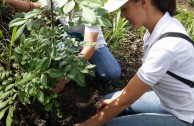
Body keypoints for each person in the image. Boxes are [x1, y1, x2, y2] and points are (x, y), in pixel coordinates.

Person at [73, 0, 194, 126]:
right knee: (110, 99)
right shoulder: (159, 28)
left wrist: (86, 124)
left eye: (124, 9)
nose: (122, 16)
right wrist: (117, 102)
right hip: (168, 101)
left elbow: (125, 101)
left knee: (107, 123)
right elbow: (131, 91)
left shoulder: (166, 46)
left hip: (185, 116)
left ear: (143, 3)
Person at [0, 0, 121, 93]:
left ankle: (96, 78)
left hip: (93, 43)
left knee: (112, 72)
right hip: (68, 39)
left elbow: (89, 47)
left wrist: (65, 76)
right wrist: (9, 1)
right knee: (60, 58)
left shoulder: (90, 6)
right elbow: (34, 6)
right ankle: (79, 67)